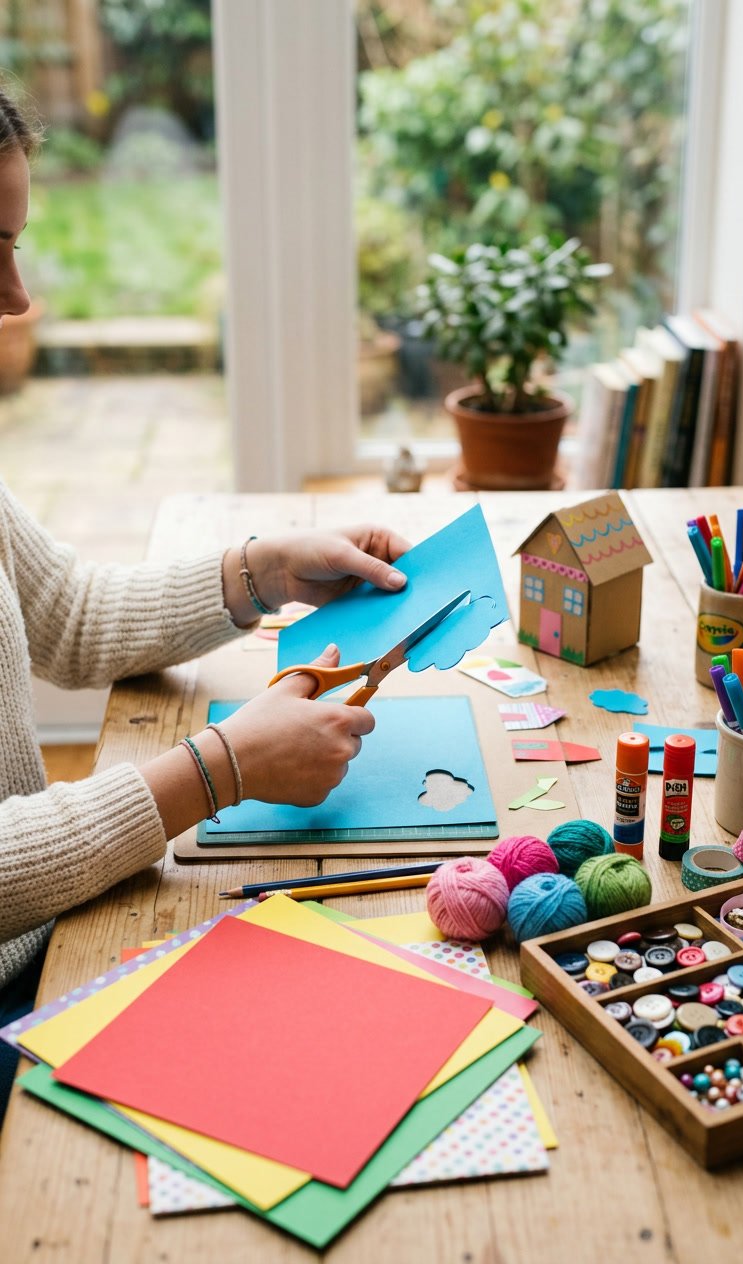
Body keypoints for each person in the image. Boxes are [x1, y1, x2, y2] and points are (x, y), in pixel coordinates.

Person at [0, 86, 410, 1115]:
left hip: (54, 937)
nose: (16, 298)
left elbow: (65, 614)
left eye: (16, 245)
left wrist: (263, 569)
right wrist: (219, 768)